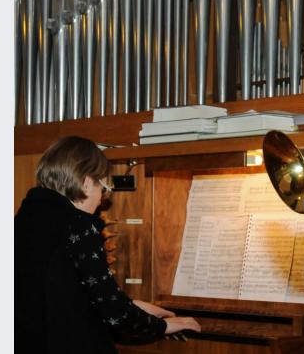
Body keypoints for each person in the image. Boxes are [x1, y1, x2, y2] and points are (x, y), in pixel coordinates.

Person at [15, 136, 201, 353]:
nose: (101, 199)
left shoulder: (24, 220)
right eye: (103, 188)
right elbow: (113, 313)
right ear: (86, 182)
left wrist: (135, 307)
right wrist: (163, 326)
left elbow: (70, 294)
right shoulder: (78, 224)